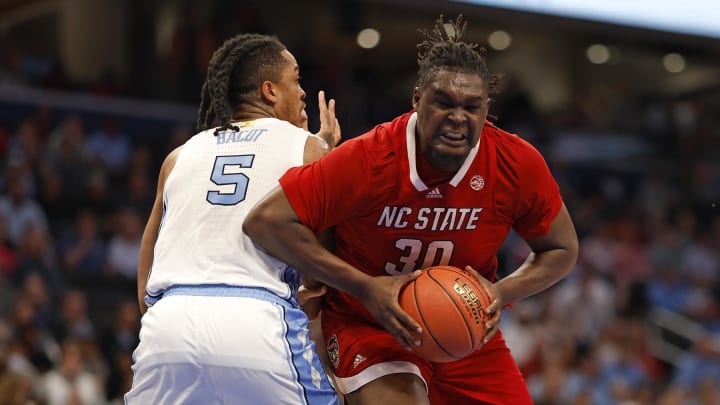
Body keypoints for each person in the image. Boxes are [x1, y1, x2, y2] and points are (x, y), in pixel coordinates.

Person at [244, 15, 579, 405]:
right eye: (444, 102)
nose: (458, 118)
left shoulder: (515, 163)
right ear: (417, 99)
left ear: (488, 109)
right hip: (367, 323)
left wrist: (498, 293)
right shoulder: (369, 157)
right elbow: (266, 221)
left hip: (463, 327)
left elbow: (562, 248)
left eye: (472, 107)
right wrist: (364, 287)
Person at [125, 33, 342, 404]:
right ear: (270, 91)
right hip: (256, 321)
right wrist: (328, 155)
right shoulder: (308, 148)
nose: (303, 92)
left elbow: (145, 279)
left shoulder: (179, 155)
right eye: (296, 78)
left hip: (168, 329)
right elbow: (321, 274)